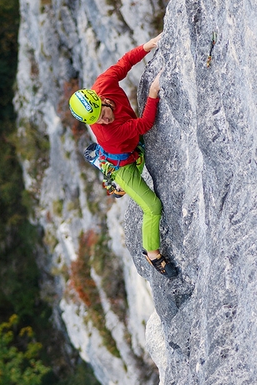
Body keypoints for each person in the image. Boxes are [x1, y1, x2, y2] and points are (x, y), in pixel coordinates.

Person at [69, 34, 178, 278]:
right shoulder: (109, 133)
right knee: (152, 207)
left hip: (130, 146)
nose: (103, 120)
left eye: (102, 114)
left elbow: (124, 63)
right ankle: (152, 254)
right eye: (96, 121)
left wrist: (147, 46)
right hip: (124, 163)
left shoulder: (103, 84)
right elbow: (145, 123)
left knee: (135, 149)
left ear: (99, 97)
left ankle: (113, 179)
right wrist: (153, 92)